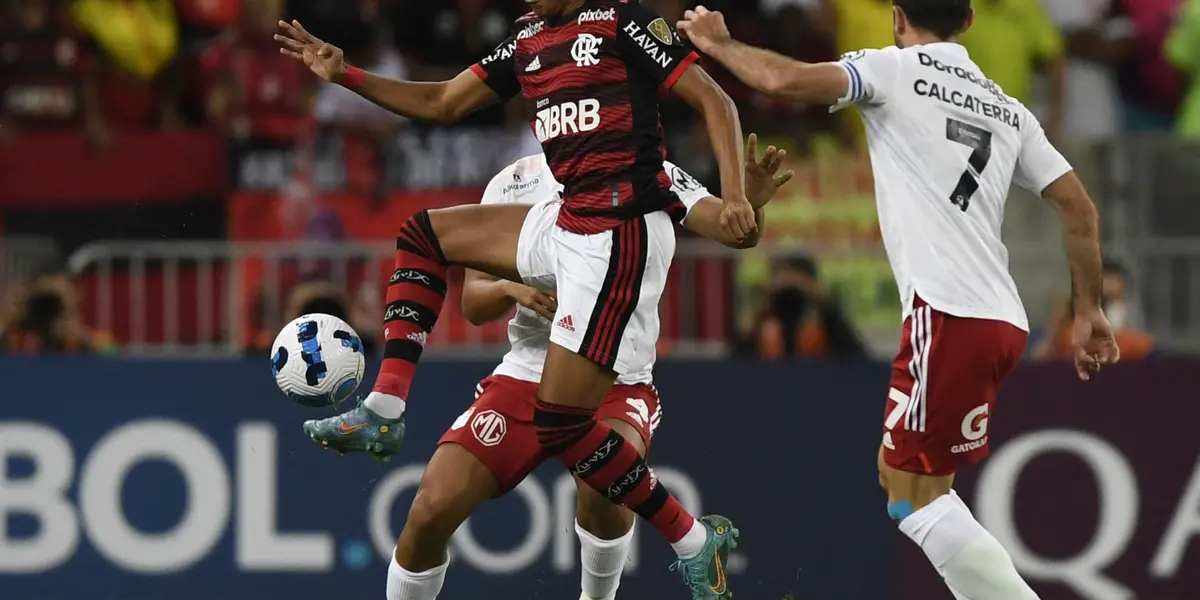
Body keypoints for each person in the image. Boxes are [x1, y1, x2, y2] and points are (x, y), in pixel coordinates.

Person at [274, 1, 756, 597]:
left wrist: (739, 195)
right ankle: (384, 410)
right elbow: (445, 101)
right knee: (423, 234)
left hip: (618, 228)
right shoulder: (529, 41)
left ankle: (691, 541)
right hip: (567, 224)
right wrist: (347, 75)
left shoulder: (623, 22)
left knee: (565, 431)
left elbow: (718, 103)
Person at [677, 2, 1119, 599]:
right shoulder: (1008, 109)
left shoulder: (891, 70)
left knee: (914, 498)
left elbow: (781, 79)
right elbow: (1079, 209)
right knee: (906, 482)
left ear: (897, 17)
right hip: (999, 318)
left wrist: (720, 44)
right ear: (966, 22)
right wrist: (1089, 310)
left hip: (948, 313)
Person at [385, 142, 789, 600]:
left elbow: (736, 233)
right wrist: (508, 287)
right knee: (430, 508)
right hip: (526, 373)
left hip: (617, 378)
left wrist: (749, 203)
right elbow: (473, 304)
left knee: (604, 490)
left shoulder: (652, 174)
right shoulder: (513, 182)